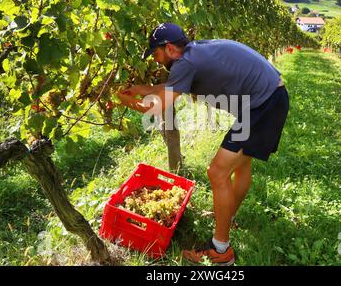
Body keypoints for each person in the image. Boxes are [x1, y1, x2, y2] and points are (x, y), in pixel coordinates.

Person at [117, 23, 289, 266]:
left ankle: (220, 251)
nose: (155, 60)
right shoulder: (193, 52)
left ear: (168, 48)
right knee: (241, 165)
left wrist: (126, 102)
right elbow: (170, 87)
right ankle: (227, 219)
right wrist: (140, 89)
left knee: (217, 172)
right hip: (269, 97)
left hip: (263, 107)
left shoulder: (185, 63)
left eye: (155, 53)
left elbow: (156, 107)